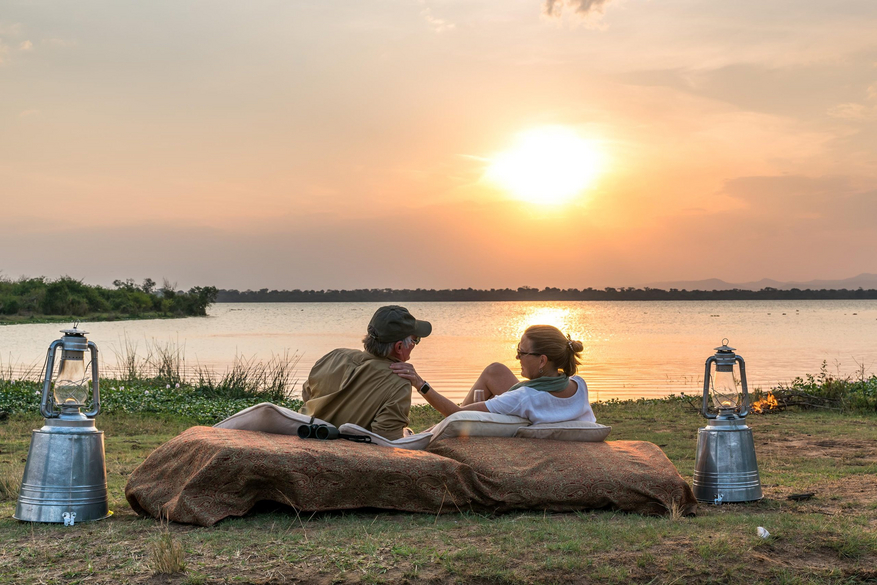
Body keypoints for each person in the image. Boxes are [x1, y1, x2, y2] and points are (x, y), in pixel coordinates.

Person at [391, 324, 595, 424]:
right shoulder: (579, 385)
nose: (517, 358)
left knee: (457, 419)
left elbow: (455, 415)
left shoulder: (522, 398)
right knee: (495, 371)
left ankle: (441, 434)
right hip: (546, 409)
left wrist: (419, 383)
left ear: (542, 360)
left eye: (521, 352)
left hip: (534, 406)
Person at [299, 305, 431, 440]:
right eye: (415, 340)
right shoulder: (399, 383)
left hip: (305, 434)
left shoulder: (334, 356)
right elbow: (387, 439)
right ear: (399, 346)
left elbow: (307, 394)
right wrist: (407, 433)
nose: (415, 345)